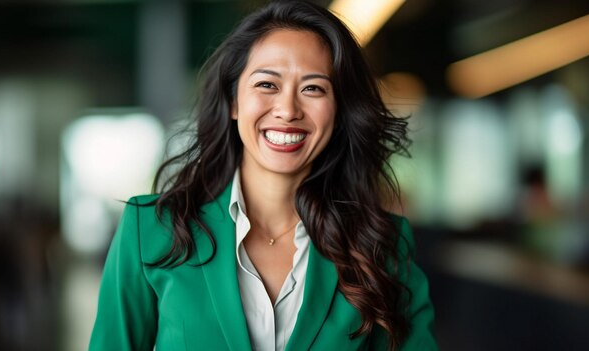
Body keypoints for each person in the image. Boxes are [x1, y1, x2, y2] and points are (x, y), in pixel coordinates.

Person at [89, 1, 437, 350]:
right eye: (267, 85)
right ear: (233, 101)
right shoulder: (150, 230)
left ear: (340, 110)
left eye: (313, 88)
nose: (287, 110)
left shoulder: (382, 244)